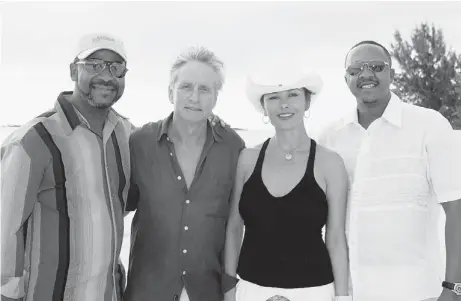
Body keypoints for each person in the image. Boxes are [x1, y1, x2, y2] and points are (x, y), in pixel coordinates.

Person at [318, 40, 461, 301]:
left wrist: (454, 287)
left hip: (418, 292)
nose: (366, 74)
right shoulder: (330, 137)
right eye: (356, 69)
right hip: (349, 292)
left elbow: (456, 209)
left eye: (376, 66)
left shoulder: (429, 126)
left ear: (392, 75)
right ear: (346, 78)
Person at [1, 33, 132, 301]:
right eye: (94, 64)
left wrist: (206, 121)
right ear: (73, 70)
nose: (106, 76)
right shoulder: (34, 139)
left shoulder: (125, 133)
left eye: (116, 68)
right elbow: (5, 228)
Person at [123, 46, 245, 301]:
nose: (195, 98)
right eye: (186, 87)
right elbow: (116, 207)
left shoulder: (234, 147)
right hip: (148, 290)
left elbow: (237, 224)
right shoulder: (139, 143)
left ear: (215, 97)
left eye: (204, 90)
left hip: (208, 291)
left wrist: (231, 285)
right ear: (171, 92)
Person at [223, 66, 351, 301]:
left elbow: (335, 238)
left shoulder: (330, 163)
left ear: (307, 102)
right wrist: (229, 289)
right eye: (274, 97)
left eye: (293, 95)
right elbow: (233, 228)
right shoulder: (247, 159)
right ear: (264, 106)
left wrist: (343, 298)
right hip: (250, 290)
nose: (284, 104)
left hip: (314, 292)